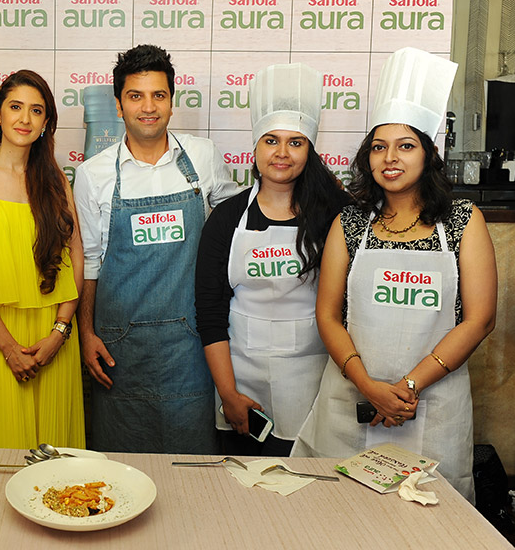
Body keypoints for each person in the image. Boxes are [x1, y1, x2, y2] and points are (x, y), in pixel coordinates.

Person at [293, 48, 497, 502]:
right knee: (339, 516)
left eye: (406, 146)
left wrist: (406, 389)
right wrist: (369, 387)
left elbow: (479, 320)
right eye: (379, 147)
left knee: (428, 522)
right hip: (351, 404)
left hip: (431, 409)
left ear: (429, 154)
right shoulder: (350, 224)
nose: (391, 158)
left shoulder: (463, 221)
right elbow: (327, 315)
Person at [74, 44, 240, 453]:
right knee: (122, 468)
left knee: (194, 470)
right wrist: (87, 332)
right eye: (135, 96)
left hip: (191, 345)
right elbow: (90, 260)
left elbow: (236, 226)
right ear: (118, 105)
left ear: (171, 101)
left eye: (158, 95)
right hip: (119, 349)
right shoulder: (92, 174)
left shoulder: (203, 158)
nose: (148, 107)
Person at [196, 63, 350, 457]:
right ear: (255, 146)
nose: (282, 153)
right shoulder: (227, 218)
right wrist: (228, 394)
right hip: (240, 380)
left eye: (295, 142)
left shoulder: (336, 216)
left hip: (314, 381)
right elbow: (210, 313)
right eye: (271, 141)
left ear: (310, 150)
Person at [0, 69, 85, 449]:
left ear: (46, 122)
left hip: (51, 336)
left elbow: (75, 256)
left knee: (56, 466)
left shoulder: (56, 181)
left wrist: (59, 332)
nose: (25, 119)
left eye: (37, 110)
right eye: (15, 107)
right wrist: (9, 347)